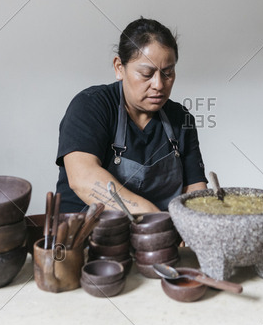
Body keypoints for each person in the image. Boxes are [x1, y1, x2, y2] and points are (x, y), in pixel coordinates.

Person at [55, 18, 208, 213]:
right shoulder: (91, 106)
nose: (159, 85)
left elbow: (195, 190)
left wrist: (196, 225)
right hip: (85, 235)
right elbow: (83, 178)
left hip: (158, 236)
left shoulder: (180, 119)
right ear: (119, 68)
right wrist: (153, 217)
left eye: (167, 73)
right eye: (146, 74)